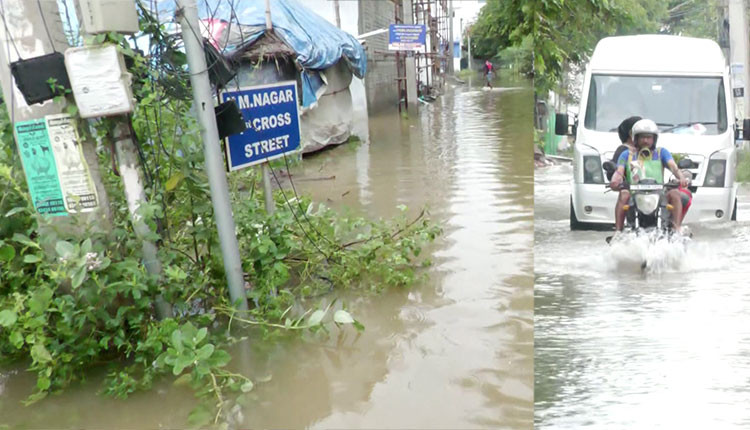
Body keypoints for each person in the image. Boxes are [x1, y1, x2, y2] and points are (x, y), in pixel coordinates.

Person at [609, 118, 692, 232]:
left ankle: (676, 228)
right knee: (623, 194)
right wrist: (615, 181)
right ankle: (618, 231)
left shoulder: (661, 153)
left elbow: (673, 167)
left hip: (659, 193)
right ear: (635, 138)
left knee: (675, 193)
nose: (646, 141)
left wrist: (681, 178)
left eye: (649, 137)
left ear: (654, 139)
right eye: (642, 137)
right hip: (634, 193)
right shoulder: (626, 155)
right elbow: (619, 171)